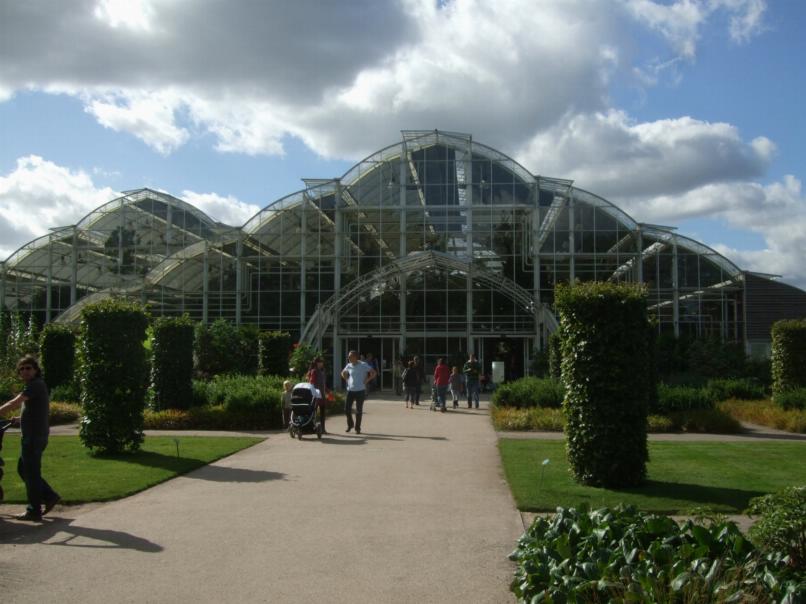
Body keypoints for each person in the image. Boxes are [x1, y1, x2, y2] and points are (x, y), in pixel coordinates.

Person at [0, 355, 60, 521]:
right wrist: (20, 419)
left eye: (28, 368)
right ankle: (49, 496)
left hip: (34, 437)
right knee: (24, 469)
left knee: (31, 473)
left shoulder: (35, 385)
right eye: (22, 369)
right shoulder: (34, 385)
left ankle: (34, 510)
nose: (25, 371)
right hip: (33, 435)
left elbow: (14, 403)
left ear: (35, 370)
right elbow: (36, 411)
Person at [341, 350, 376, 434]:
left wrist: (367, 380)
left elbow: (373, 372)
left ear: (356, 357)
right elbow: (342, 372)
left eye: (350, 356)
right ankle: (350, 425)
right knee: (347, 409)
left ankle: (357, 428)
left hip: (360, 390)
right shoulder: (349, 365)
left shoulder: (363, 365)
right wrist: (346, 379)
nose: (348, 358)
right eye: (348, 357)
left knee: (358, 410)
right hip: (350, 390)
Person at [307, 357, 328, 434]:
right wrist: (314, 392)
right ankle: (312, 428)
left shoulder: (322, 371)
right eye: (320, 362)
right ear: (317, 363)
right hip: (315, 394)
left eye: (322, 362)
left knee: (322, 412)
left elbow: (323, 383)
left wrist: (328, 391)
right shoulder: (314, 371)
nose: (322, 363)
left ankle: (323, 429)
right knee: (313, 412)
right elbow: (311, 382)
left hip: (322, 394)